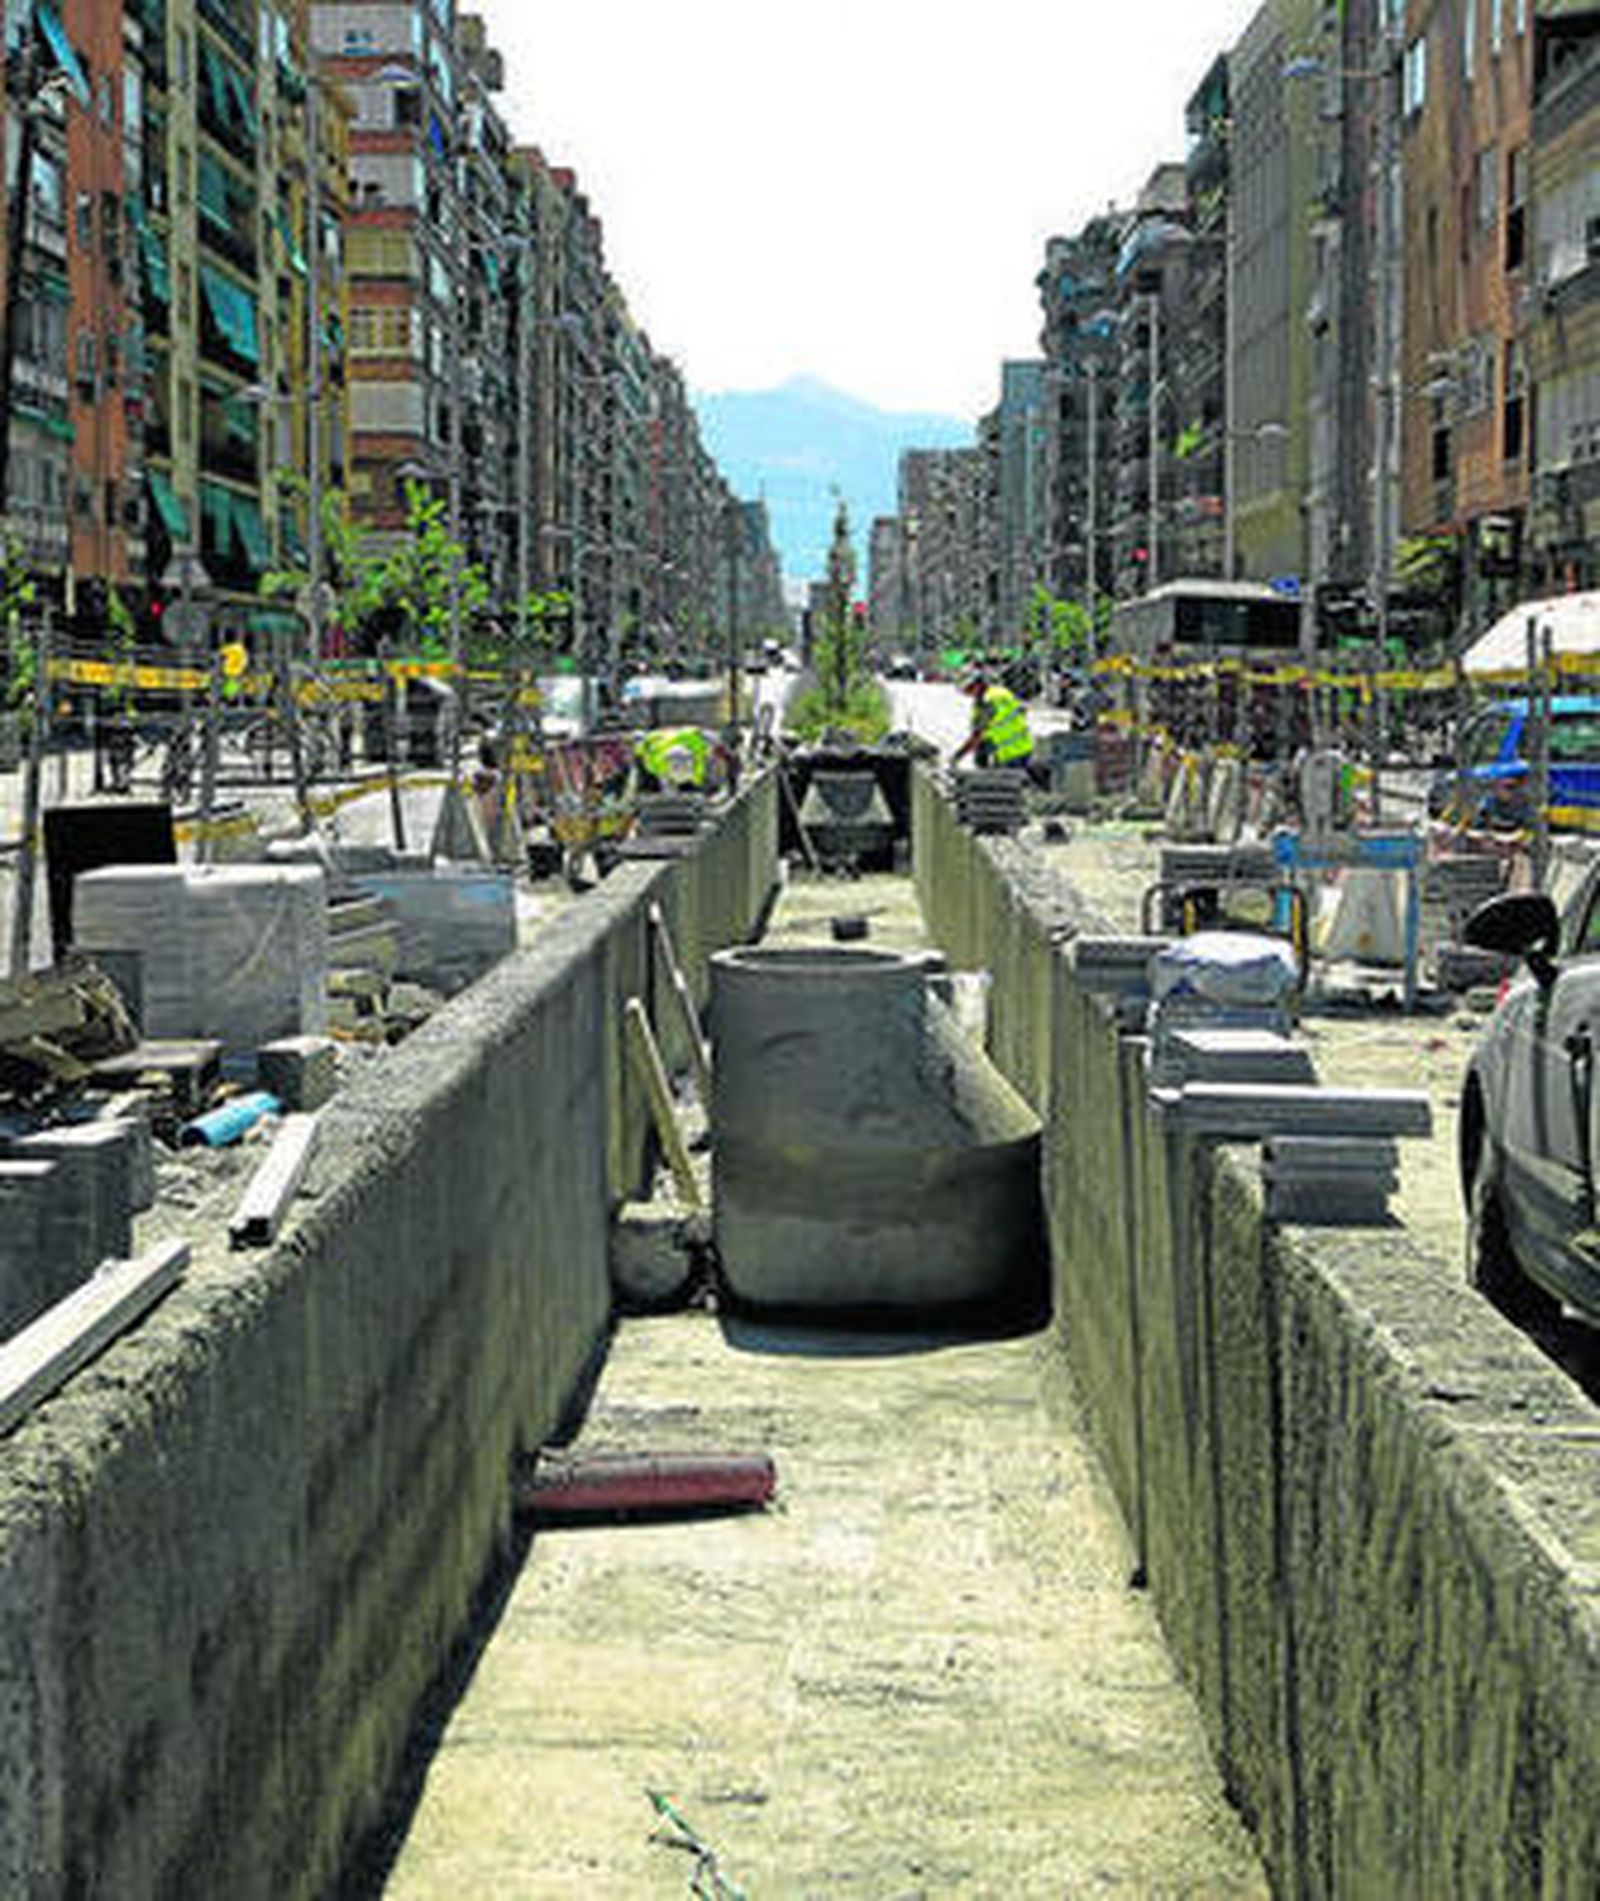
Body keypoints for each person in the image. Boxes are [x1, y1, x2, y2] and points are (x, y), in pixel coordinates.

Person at [953, 673, 1034, 772]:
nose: (968, 694)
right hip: (1025, 747)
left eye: (968, 690)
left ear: (977, 686)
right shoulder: (1000, 692)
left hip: (1008, 754)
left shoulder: (986, 702)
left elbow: (977, 736)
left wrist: (957, 756)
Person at [633, 724, 725, 793]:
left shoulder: (693, 740)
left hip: (662, 737)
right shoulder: (656, 764)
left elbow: (643, 742)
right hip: (660, 741)